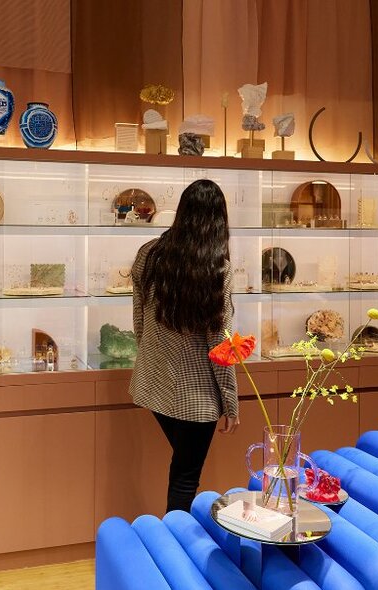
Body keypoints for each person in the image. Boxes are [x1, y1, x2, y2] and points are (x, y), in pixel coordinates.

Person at [129, 178, 239, 514]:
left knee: (184, 468)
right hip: (197, 397)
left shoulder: (150, 253)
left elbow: (139, 319)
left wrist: (151, 356)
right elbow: (219, 341)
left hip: (154, 384)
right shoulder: (216, 268)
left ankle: (179, 538)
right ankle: (177, 548)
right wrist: (231, 401)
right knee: (185, 476)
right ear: (218, 220)